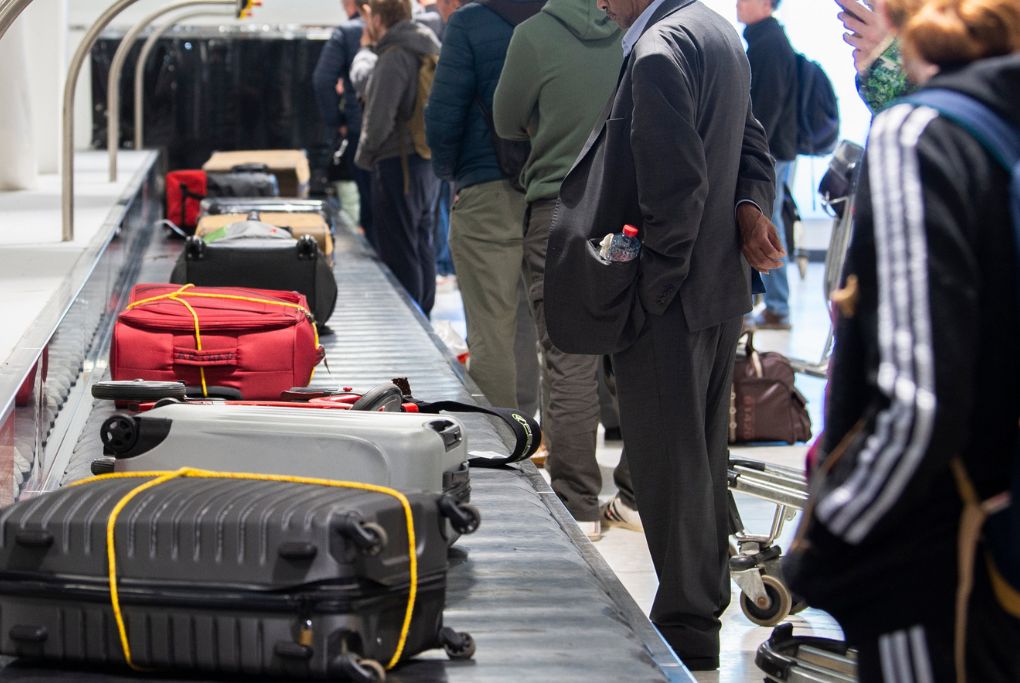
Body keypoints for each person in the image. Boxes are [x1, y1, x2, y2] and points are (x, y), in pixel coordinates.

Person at [784, 0, 1020, 679]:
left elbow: (918, 403)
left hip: (937, 547)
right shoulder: (999, 111)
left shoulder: (919, 132)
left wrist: (830, 535)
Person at [540, 0, 776, 668]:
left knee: (670, 466)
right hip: (717, 291)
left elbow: (676, 195)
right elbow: (752, 145)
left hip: (674, 301)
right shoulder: (715, 32)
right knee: (698, 457)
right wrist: (752, 207)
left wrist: (649, 297)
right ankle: (698, 603)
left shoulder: (657, 54)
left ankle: (688, 622)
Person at [493, 0, 638, 538]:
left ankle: (578, 503)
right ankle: (636, 498)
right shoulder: (638, 31)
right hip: (629, 209)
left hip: (559, 208)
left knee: (567, 355)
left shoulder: (533, 36)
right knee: (634, 352)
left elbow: (505, 120)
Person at [423, 0, 544, 410]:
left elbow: (443, 113)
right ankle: (531, 431)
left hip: (487, 185)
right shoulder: (562, 16)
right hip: (555, 191)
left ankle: (503, 447)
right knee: (532, 319)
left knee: (492, 326)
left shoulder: (469, 23)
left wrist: (451, 173)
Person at [353, 0, 442, 316]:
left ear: (377, 19)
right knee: (422, 244)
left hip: (397, 164)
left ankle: (411, 322)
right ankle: (425, 315)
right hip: (426, 160)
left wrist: (363, 159)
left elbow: (378, 120)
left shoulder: (394, 55)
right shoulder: (428, 46)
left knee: (401, 251)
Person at [738, 0, 798, 330]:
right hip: (773, 151)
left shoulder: (770, 43)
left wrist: (753, 155)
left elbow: (767, 108)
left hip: (771, 153)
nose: (738, 4)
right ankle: (773, 304)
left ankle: (777, 306)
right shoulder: (763, 39)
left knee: (768, 224)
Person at [312, 0, 374, 238]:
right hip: (402, 132)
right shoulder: (407, 28)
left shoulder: (346, 32)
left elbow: (322, 79)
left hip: (359, 127)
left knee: (369, 204)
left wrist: (337, 122)